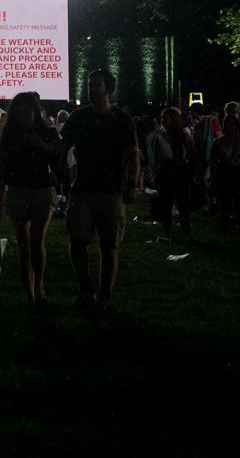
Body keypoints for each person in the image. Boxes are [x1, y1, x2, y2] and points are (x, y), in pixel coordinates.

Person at [62, 69, 139, 313]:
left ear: (108, 89)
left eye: (96, 85)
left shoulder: (121, 119)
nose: (91, 89)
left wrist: (131, 184)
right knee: (77, 241)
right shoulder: (78, 117)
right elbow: (62, 147)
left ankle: (105, 295)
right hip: (83, 189)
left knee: (109, 246)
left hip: (111, 190)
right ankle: (86, 290)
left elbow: (132, 154)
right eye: (89, 85)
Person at [0, 92, 62, 307]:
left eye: (29, 111)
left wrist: (40, 144)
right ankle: (30, 293)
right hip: (18, 191)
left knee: (36, 240)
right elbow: (2, 171)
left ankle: (39, 285)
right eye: (21, 112)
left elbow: (58, 157)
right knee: (23, 245)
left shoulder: (47, 132)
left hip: (41, 190)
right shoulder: (11, 135)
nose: (25, 115)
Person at [151, 107, 194, 240]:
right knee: (166, 205)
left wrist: (189, 173)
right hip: (167, 172)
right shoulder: (160, 137)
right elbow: (158, 157)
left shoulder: (184, 135)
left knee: (183, 205)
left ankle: (186, 232)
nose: (162, 120)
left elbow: (191, 155)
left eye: (165, 118)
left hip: (180, 172)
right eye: (162, 118)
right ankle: (167, 232)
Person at [210, 113, 240, 239]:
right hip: (224, 174)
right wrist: (213, 178)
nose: (227, 126)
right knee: (224, 206)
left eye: (230, 124)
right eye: (225, 123)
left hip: (237, 174)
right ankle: (225, 234)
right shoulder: (218, 142)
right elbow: (213, 162)